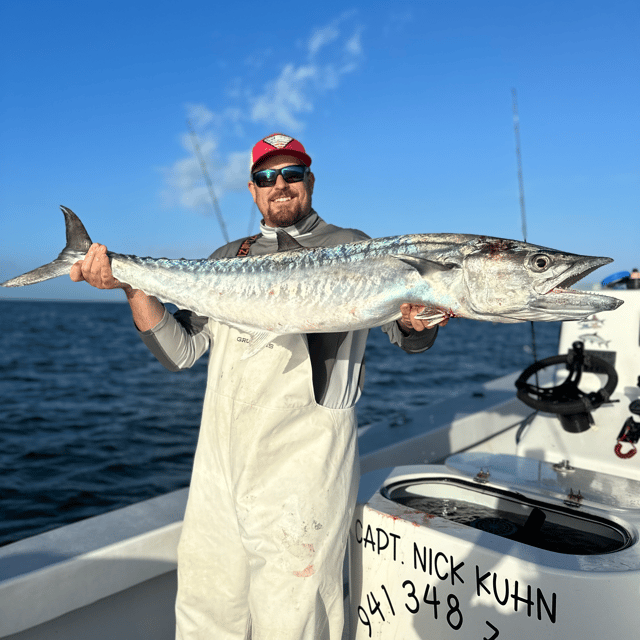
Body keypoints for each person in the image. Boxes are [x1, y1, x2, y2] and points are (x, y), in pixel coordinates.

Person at [70, 133, 446, 640]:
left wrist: (421, 324)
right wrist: (134, 283)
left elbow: (404, 335)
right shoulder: (230, 254)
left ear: (310, 181)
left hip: (306, 465)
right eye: (268, 177)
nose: (281, 185)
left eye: (292, 174)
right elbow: (179, 351)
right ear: (253, 189)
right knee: (207, 607)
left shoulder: (355, 247)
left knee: (294, 613)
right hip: (220, 464)